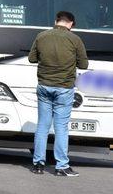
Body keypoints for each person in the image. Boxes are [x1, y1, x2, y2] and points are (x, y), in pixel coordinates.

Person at [28, 11, 88, 176]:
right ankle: (61, 166)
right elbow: (83, 64)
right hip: (64, 88)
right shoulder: (75, 39)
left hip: (44, 86)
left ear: (56, 21)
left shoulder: (41, 36)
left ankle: (38, 164)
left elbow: (31, 59)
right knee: (61, 127)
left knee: (42, 126)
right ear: (71, 24)